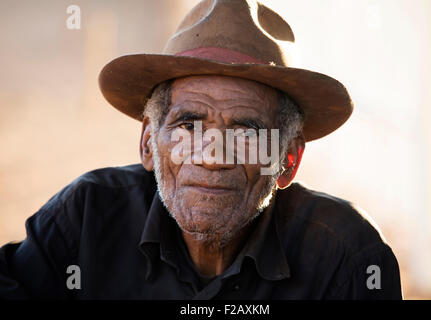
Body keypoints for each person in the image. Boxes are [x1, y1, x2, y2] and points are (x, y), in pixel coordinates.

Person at [0, 0, 402, 299]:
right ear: (147, 143)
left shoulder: (345, 260)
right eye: (188, 125)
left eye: (245, 132)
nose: (211, 156)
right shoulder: (86, 219)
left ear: (287, 161)